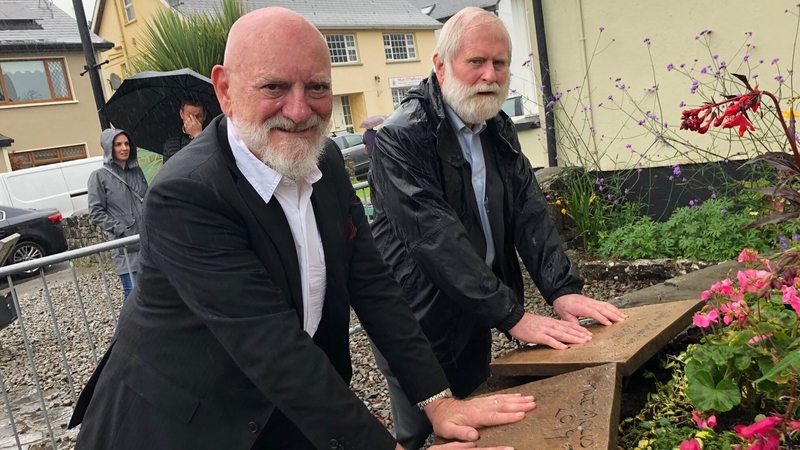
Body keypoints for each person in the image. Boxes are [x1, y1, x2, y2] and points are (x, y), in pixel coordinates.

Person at [68, 7, 535, 450]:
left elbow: (374, 287)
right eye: (274, 87)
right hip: (180, 427)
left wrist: (438, 401)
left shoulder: (325, 162)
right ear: (225, 89)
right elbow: (270, 345)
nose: (298, 110)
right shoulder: (187, 194)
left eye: (317, 87)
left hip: (285, 414)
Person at [367, 7, 629, 449]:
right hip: (416, 319)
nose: (490, 75)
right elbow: (435, 237)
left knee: (481, 414)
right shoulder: (401, 137)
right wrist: (513, 315)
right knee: (423, 431)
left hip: (475, 308)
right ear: (441, 65)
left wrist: (561, 289)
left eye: (500, 63)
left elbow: (529, 210)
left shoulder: (494, 125)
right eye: (476, 61)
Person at [87, 129, 148, 302]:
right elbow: (95, 211)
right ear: (109, 148)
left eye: (127, 143)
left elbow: (147, 199)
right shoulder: (99, 177)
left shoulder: (137, 172)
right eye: (118, 144)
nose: (124, 148)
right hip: (125, 248)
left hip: (146, 242)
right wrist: (120, 229)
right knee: (133, 297)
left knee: (152, 294)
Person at [162, 97, 207, 163]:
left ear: (204, 116)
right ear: (181, 114)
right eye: (189, 115)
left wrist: (198, 135)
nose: (193, 120)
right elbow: (167, 169)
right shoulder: (170, 144)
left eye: (198, 116)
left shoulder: (215, 137)